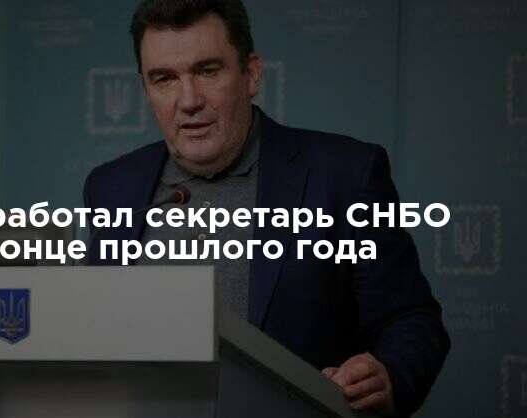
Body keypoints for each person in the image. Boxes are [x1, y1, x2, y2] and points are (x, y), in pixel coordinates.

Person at [83, 0, 449, 417]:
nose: (188, 100)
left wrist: (389, 374)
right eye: (164, 79)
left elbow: (413, 320)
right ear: (146, 89)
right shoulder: (111, 187)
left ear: (251, 74)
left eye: (208, 71)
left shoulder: (346, 175)